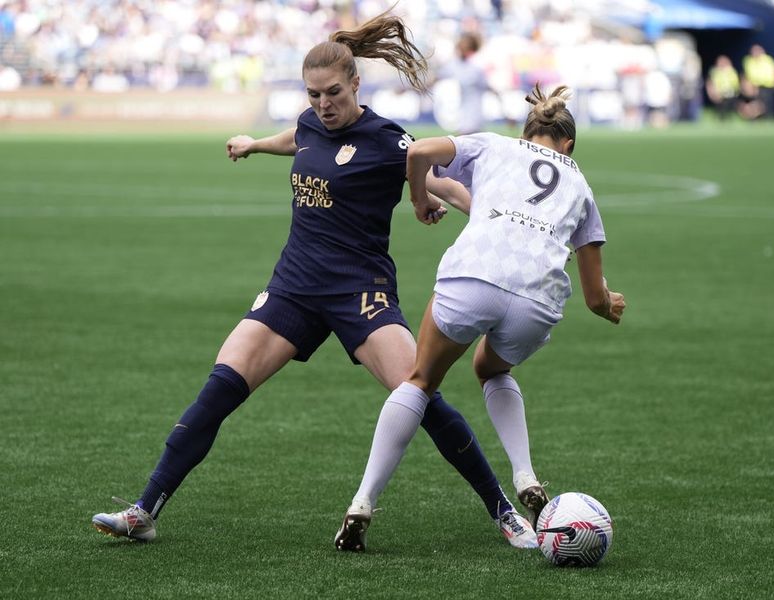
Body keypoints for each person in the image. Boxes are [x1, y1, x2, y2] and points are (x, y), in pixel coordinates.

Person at [91, 11, 536, 550]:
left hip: (360, 291)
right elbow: (296, 139)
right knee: (218, 390)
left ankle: (504, 512)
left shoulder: (386, 139)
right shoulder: (308, 123)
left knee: (420, 395)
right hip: (294, 288)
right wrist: (255, 143)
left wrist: (485, 217)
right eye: (313, 95)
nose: (323, 105)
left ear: (355, 84)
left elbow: (443, 182)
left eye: (333, 94)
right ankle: (144, 511)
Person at [334, 84, 626, 552]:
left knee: (419, 380)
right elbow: (595, 298)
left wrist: (419, 200)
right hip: (537, 297)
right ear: (568, 145)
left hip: (473, 274)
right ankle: (525, 472)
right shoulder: (582, 187)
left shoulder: (496, 144)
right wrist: (610, 304)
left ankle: (362, 502)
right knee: (491, 368)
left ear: (525, 131)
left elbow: (419, 151)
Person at [742, 44, 774, 118]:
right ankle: (754, 117)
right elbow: (746, 74)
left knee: (765, 104)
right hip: (754, 86)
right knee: (756, 103)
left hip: (768, 85)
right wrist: (747, 85)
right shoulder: (748, 60)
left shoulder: (768, 59)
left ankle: (765, 118)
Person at [706, 55, 740, 121]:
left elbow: (735, 84)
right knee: (720, 101)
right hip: (718, 92)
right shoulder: (714, 72)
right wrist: (714, 92)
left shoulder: (731, 71)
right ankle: (720, 117)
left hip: (729, 92)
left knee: (728, 99)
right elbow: (710, 83)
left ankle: (727, 116)